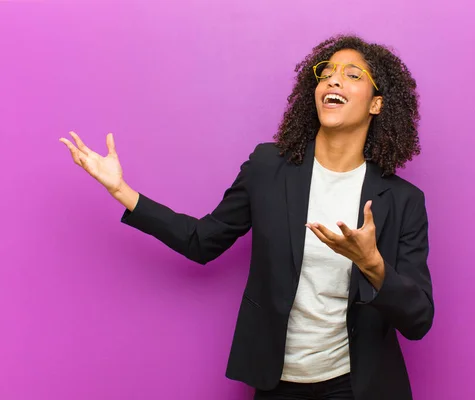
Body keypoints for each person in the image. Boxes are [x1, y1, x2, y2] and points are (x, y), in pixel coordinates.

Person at [60, 34, 434, 400]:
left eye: (353, 75)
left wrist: (372, 264)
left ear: (377, 105)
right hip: (278, 383)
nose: (334, 79)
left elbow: (418, 319)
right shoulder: (267, 167)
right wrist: (122, 191)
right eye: (328, 72)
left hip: (357, 387)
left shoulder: (403, 201)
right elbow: (201, 241)